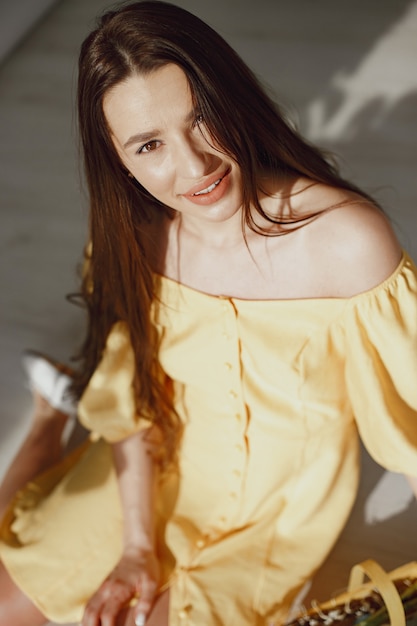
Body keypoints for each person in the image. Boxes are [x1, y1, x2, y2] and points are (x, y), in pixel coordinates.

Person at [0, 1, 416, 625]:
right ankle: (48, 417)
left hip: (270, 522)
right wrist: (138, 546)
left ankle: (52, 406)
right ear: (118, 157)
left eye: (202, 121)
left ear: (234, 101)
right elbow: (137, 399)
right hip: (150, 480)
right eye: (149, 145)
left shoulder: (346, 243)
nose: (195, 169)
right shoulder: (139, 239)